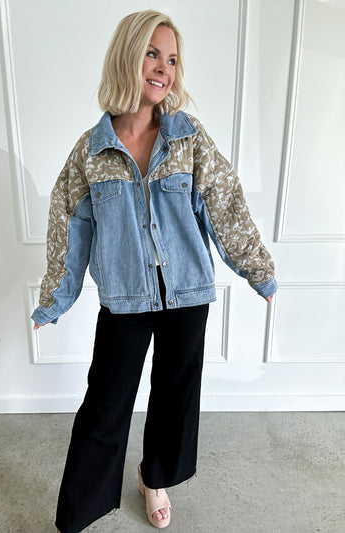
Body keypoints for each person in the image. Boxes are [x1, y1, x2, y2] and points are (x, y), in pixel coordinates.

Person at [31, 9, 277, 533]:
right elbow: (68, 228)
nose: (164, 68)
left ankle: (154, 476)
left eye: (172, 59)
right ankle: (76, 514)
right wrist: (54, 299)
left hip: (187, 293)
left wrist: (257, 269)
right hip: (125, 298)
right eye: (152, 54)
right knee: (105, 403)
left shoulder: (188, 138)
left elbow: (225, 204)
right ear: (127, 57)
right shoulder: (91, 152)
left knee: (174, 395)